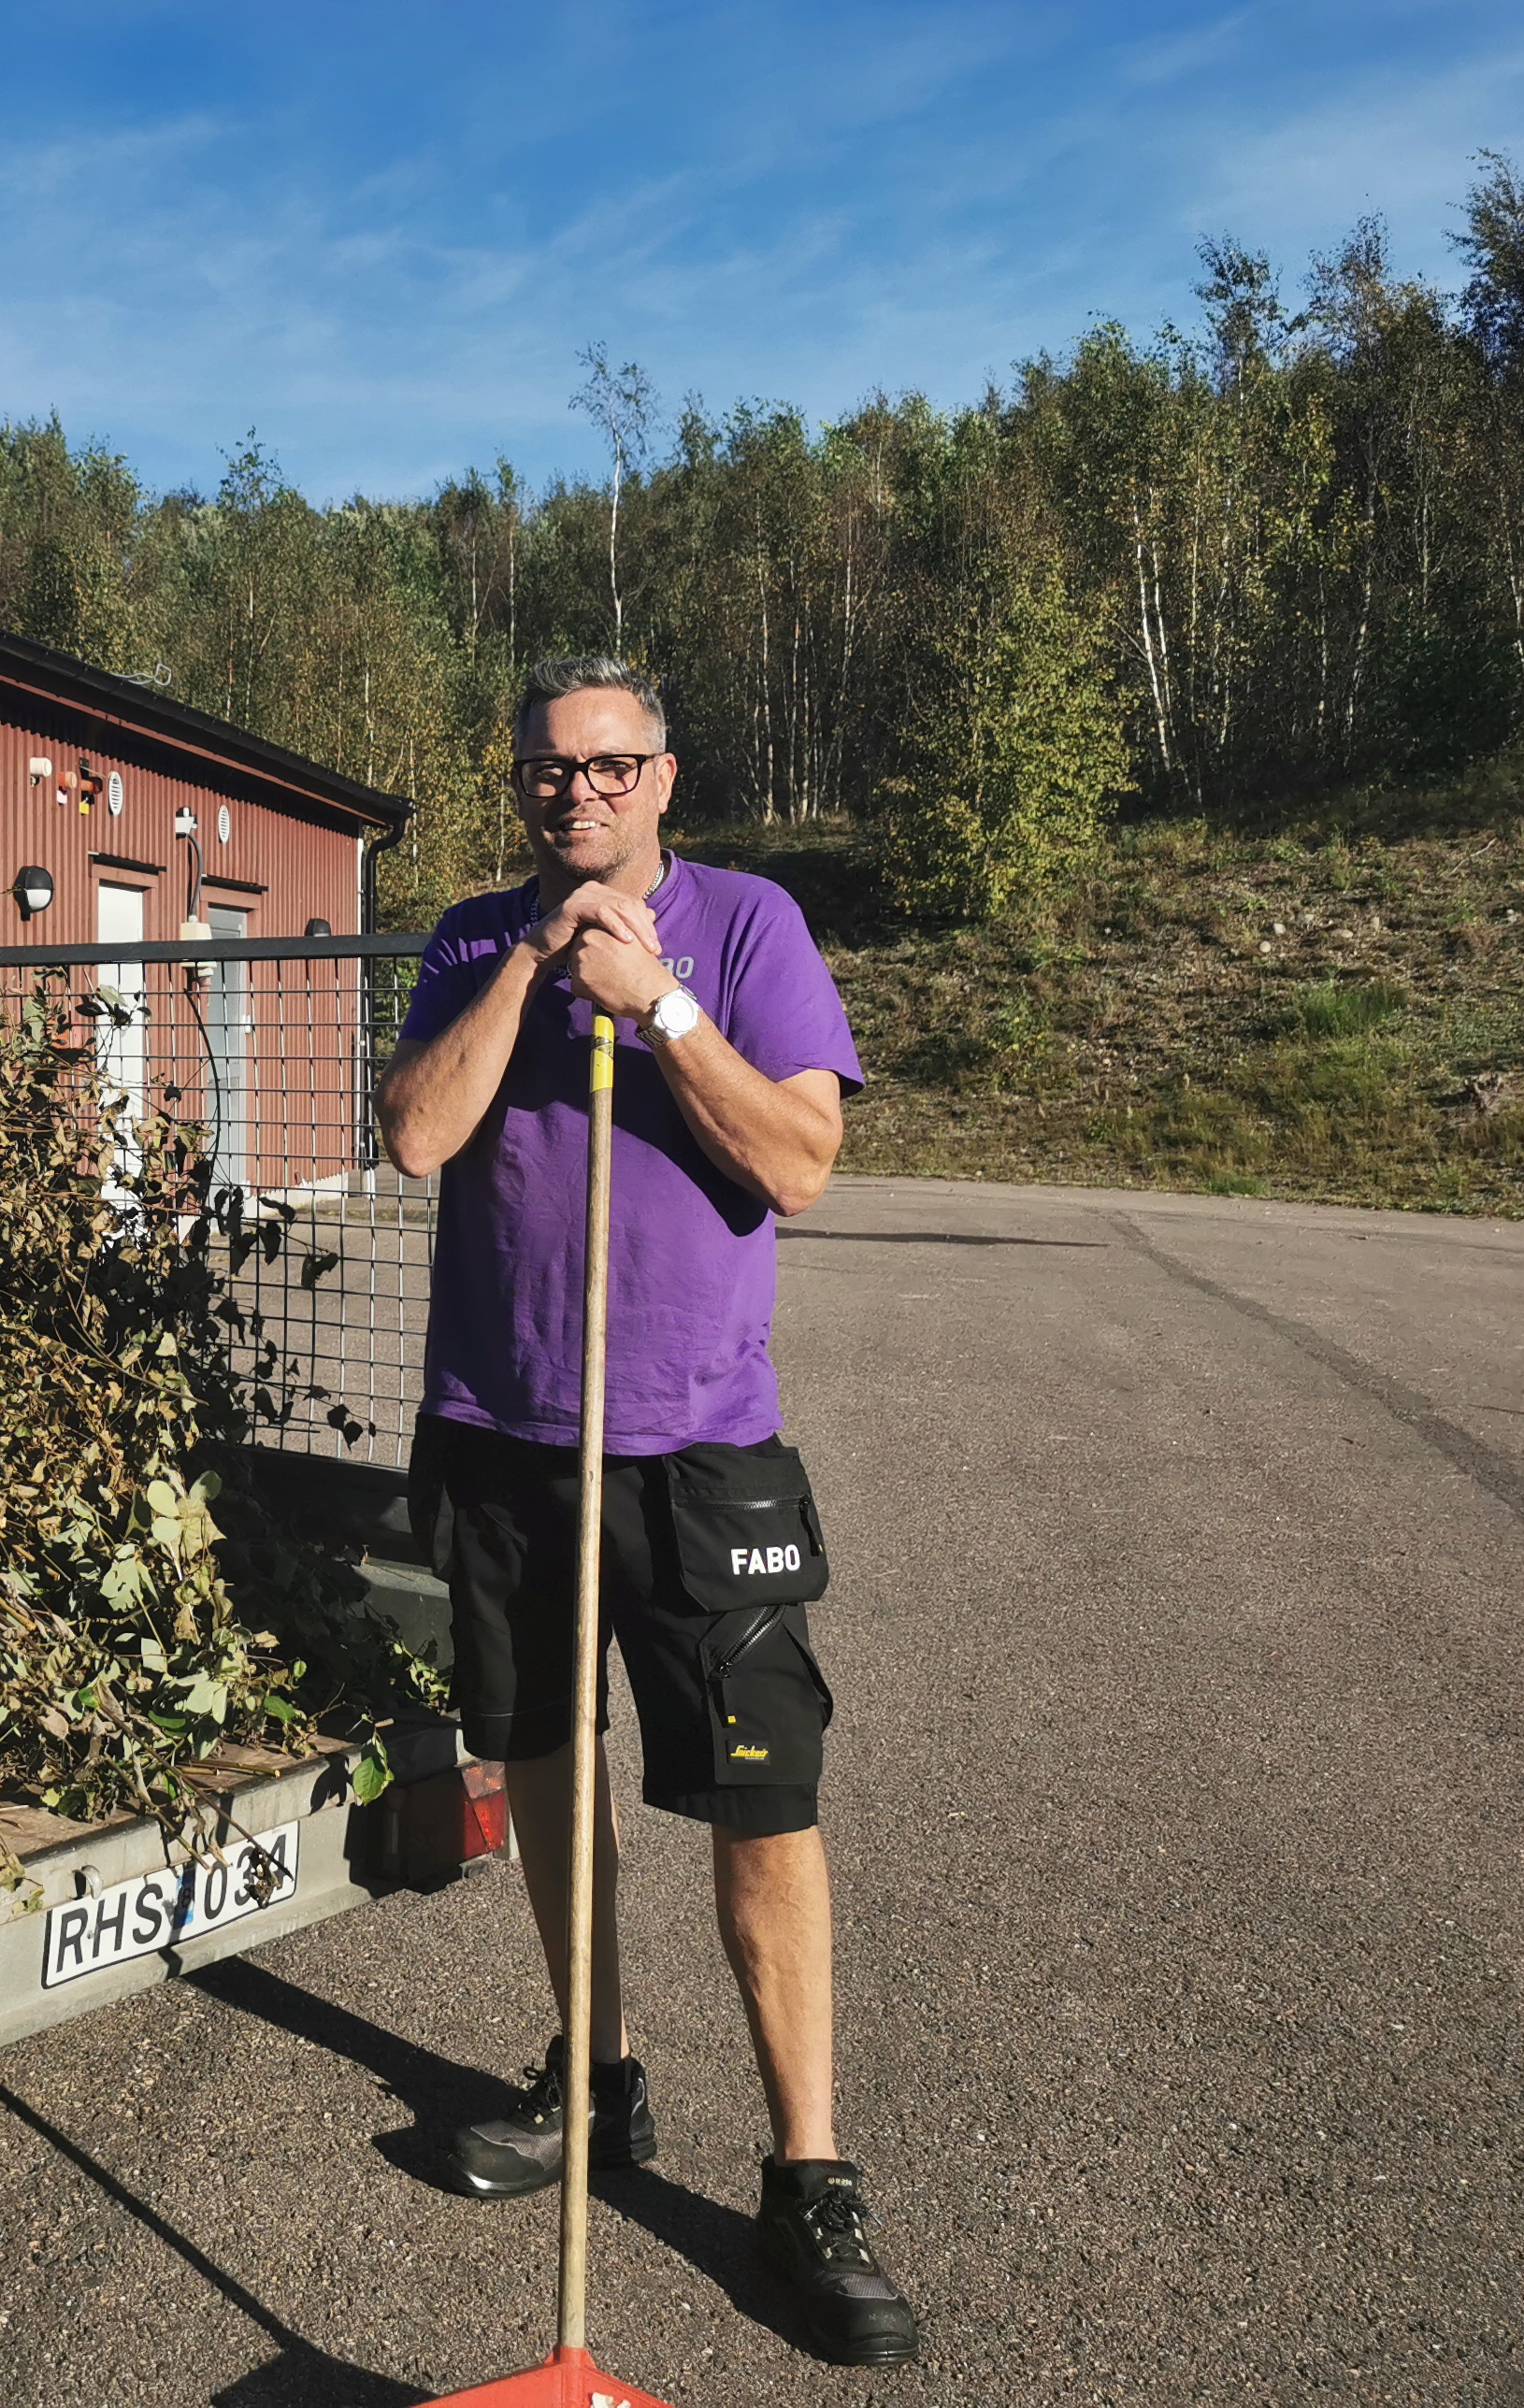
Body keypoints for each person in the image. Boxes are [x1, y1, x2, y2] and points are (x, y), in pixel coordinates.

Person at [374, 656, 918, 2368]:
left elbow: (800, 1165)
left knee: (763, 1803)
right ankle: (593, 2080)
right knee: (545, 1761)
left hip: (697, 1446)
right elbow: (416, 1138)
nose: (577, 794)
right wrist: (540, 958)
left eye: (609, 766)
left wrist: (664, 1007)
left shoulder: (753, 926)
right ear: (519, 783)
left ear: (665, 776)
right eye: (548, 770)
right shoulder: (474, 935)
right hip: (506, 1435)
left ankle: (809, 2179)